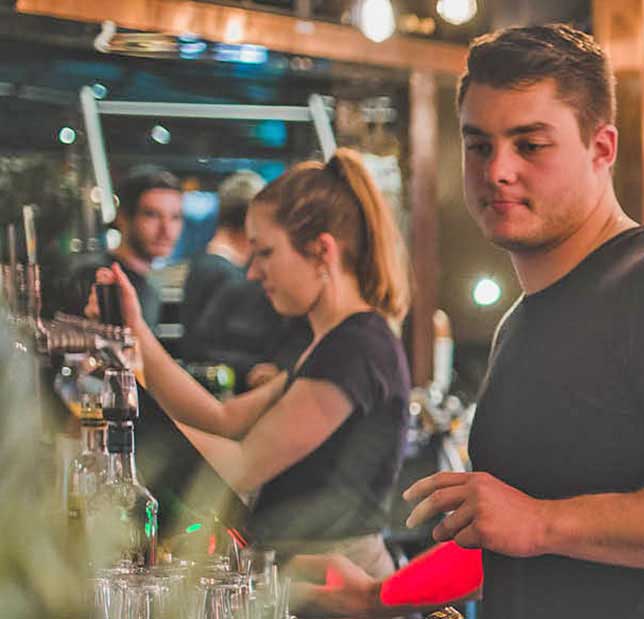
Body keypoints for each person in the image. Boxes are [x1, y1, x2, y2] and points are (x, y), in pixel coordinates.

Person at [291, 24, 644, 619]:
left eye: (529, 144)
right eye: (478, 144)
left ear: (601, 148)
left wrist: (542, 522)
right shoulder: (522, 321)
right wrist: (380, 596)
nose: (497, 170)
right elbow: (508, 536)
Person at [96, 149, 412, 577]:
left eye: (265, 253)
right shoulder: (334, 341)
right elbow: (222, 418)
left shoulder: (357, 348)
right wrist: (136, 333)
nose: (252, 272)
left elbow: (242, 465)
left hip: (340, 580)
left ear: (321, 253)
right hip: (311, 570)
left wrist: (125, 422)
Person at [179, 170, 309, 389]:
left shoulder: (205, 265)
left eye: (267, 252)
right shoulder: (233, 278)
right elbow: (201, 349)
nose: (255, 271)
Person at [109, 166, 184, 328]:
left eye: (175, 217)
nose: (166, 230)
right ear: (122, 218)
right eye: (152, 215)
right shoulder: (103, 279)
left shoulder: (144, 285)